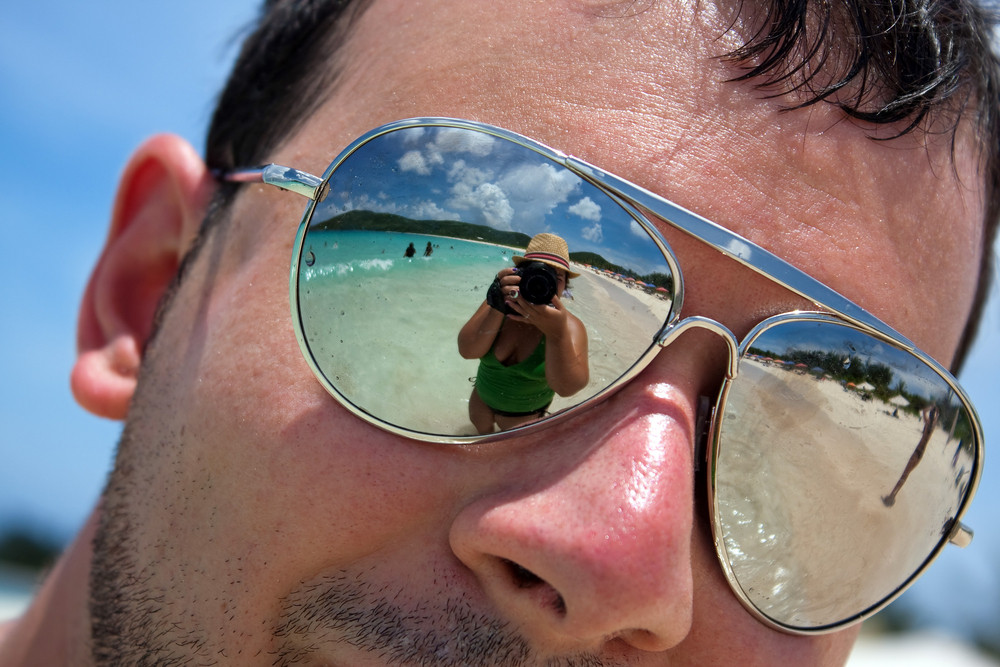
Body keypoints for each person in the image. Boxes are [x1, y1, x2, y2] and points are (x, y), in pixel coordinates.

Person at [0, 0, 996, 665]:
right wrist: (511, 304)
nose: (621, 565)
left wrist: (562, 326)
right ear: (147, 292)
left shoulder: (558, 329)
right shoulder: (516, 307)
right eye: (515, 240)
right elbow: (479, 350)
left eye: (791, 442)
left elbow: (562, 363)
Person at [458, 233, 589, 433]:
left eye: (555, 277)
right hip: (480, 405)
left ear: (564, 287)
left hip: (522, 418)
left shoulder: (569, 327)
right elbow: (467, 351)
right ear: (518, 273)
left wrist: (556, 335)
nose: (542, 282)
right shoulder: (498, 304)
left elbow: (567, 389)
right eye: (535, 272)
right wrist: (496, 304)